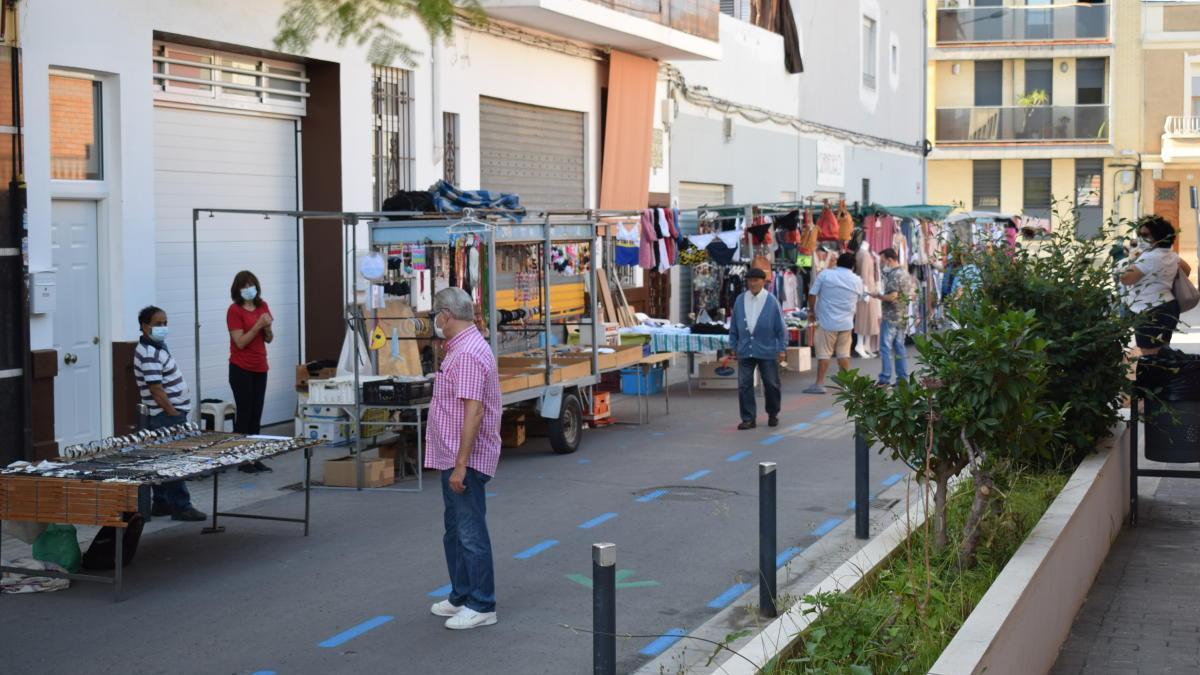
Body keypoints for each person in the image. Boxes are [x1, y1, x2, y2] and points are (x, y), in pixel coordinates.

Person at [426, 287, 502, 630]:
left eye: (435, 315)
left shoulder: (468, 352)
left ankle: (482, 604)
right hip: (453, 456)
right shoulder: (460, 347)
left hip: (464, 459)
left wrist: (461, 464)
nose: (434, 322)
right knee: (455, 530)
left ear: (447, 315)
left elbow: (474, 411)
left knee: (470, 532)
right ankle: (462, 594)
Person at [133, 306, 207, 522]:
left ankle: (162, 502)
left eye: (165, 323)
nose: (163, 327)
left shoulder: (157, 346)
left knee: (164, 458)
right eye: (158, 324)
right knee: (174, 460)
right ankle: (181, 506)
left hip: (168, 413)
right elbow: (156, 389)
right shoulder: (147, 353)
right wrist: (173, 413)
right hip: (165, 415)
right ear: (145, 326)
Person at [1120, 215, 1193, 356]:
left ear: (1158, 236)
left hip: (1150, 310)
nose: (1141, 238)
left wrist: (1131, 260)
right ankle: (1169, 376)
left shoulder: (1149, 257)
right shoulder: (1171, 255)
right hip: (1169, 307)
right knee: (1162, 351)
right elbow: (1187, 270)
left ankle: (1157, 377)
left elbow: (1126, 279)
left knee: (1149, 354)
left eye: (1145, 235)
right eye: (1139, 234)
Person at [727, 267, 788, 430]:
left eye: (756, 280)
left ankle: (773, 413)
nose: (752, 283)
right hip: (745, 349)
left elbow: (780, 329)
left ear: (763, 282)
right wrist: (732, 345)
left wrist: (782, 349)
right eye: (750, 280)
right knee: (744, 384)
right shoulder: (740, 300)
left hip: (767, 349)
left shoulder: (771, 301)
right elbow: (734, 325)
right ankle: (748, 418)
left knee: (771, 383)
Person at [227, 270, 273, 473]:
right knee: (244, 413)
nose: (248, 289)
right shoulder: (234, 310)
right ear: (238, 289)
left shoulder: (263, 306)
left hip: (260, 366)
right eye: (244, 286)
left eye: (251, 285)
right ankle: (241, 458)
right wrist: (257, 326)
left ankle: (255, 456)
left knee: (257, 413)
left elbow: (269, 338)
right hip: (240, 367)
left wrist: (267, 327)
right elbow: (240, 342)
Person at [805, 252, 863, 394]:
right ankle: (846, 384)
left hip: (827, 322)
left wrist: (811, 311)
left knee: (824, 353)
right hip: (846, 323)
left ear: (837, 262)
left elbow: (812, 294)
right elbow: (860, 298)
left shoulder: (825, 275)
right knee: (843, 353)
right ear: (853, 265)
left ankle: (819, 384)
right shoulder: (857, 280)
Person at [873, 248, 913, 386]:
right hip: (902, 315)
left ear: (889, 260)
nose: (882, 263)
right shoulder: (905, 273)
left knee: (885, 347)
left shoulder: (894, 275)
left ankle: (885, 377)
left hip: (891, 316)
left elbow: (892, 296)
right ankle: (902, 378)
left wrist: (878, 296)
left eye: (883, 260)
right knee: (899, 347)